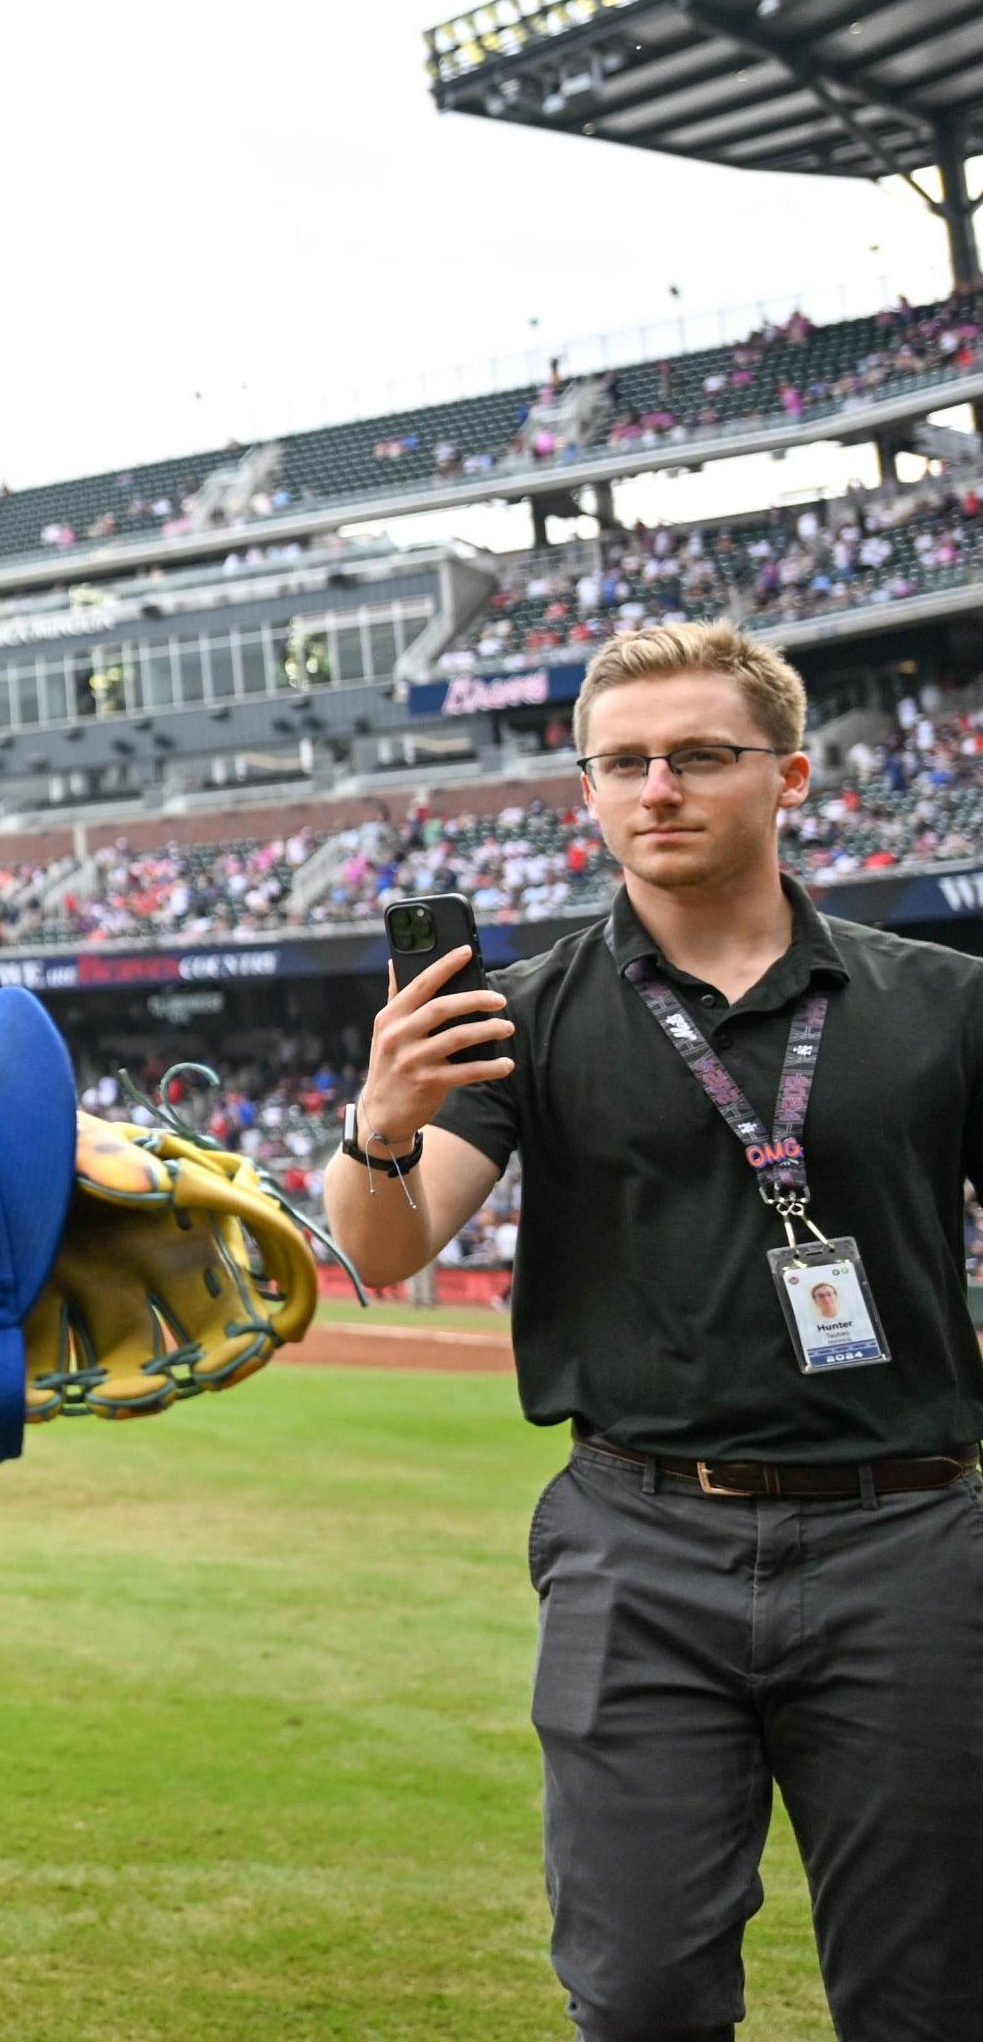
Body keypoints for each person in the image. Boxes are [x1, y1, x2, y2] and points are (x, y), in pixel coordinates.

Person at [324, 621, 983, 2042]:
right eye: (619, 763)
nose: (656, 787)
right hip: (638, 1539)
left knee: (930, 1998)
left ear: (787, 774)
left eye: (697, 754)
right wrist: (375, 1128)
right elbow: (384, 1244)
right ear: (584, 796)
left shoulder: (940, 1001)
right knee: (638, 2000)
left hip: (910, 1542)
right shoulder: (518, 1015)